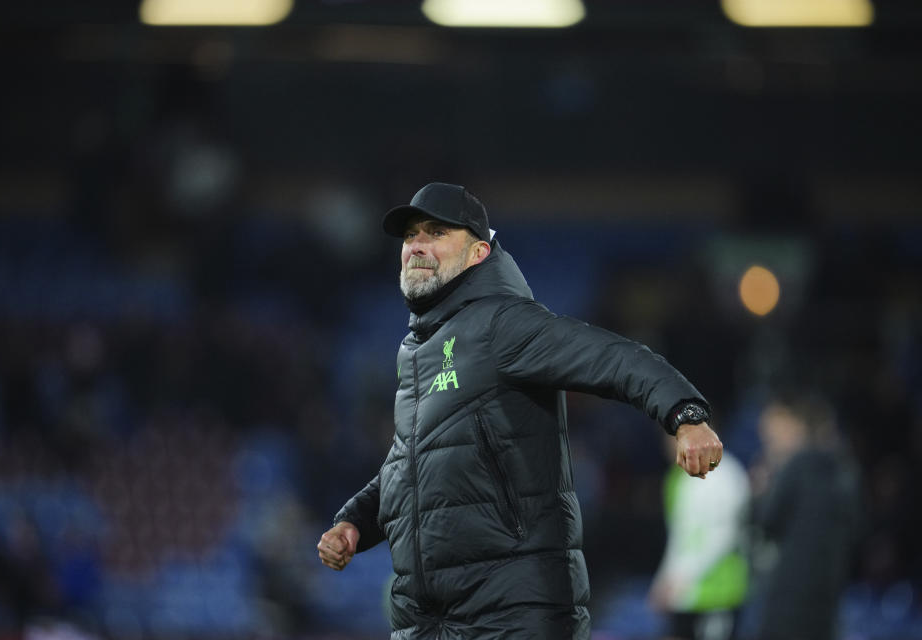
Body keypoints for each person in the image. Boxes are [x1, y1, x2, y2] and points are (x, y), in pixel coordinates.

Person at [317, 182, 724, 639]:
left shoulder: (503, 322)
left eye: (435, 232)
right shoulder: (415, 352)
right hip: (430, 621)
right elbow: (411, 460)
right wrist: (355, 521)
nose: (417, 245)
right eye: (411, 236)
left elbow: (612, 356)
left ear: (477, 254)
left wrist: (685, 414)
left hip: (510, 614)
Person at [751, 394, 861, 640]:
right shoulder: (846, 470)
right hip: (828, 592)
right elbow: (858, 527)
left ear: (799, 426)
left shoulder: (795, 467)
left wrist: (762, 488)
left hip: (788, 594)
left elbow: (768, 519)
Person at [648, 436, 750, 640]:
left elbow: (723, 535)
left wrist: (680, 577)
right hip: (684, 594)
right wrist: (664, 579)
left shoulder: (724, 474)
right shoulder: (676, 477)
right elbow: (679, 536)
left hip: (718, 593)